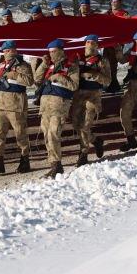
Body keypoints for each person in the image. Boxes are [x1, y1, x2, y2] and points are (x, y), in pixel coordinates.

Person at [34, 39, 80, 178]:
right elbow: (37, 79)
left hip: (59, 105)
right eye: (50, 52)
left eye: (54, 52)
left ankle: (56, 165)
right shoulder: (50, 65)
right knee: (46, 135)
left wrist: (59, 77)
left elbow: (74, 86)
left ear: (61, 50)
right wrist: (43, 64)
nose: (52, 54)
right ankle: (54, 164)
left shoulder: (71, 65)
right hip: (45, 106)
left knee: (53, 134)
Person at [0, 40, 35, 174]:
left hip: (16, 105)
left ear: (15, 50)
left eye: (9, 50)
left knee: (20, 134)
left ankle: (24, 160)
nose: (7, 53)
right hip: (1, 105)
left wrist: (14, 74)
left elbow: (29, 81)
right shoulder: (3, 65)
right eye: (5, 51)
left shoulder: (22, 65)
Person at [71, 34, 111, 166]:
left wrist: (94, 75)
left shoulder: (102, 60)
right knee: (76, 125)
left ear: (97, 45)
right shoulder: (78, 58)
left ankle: (83, 154)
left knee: (85, 125)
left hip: (93, 96)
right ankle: (95, 140)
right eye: (87, 42)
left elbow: (107, 81)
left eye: (93, 43)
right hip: (78, 96)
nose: (90, 45)